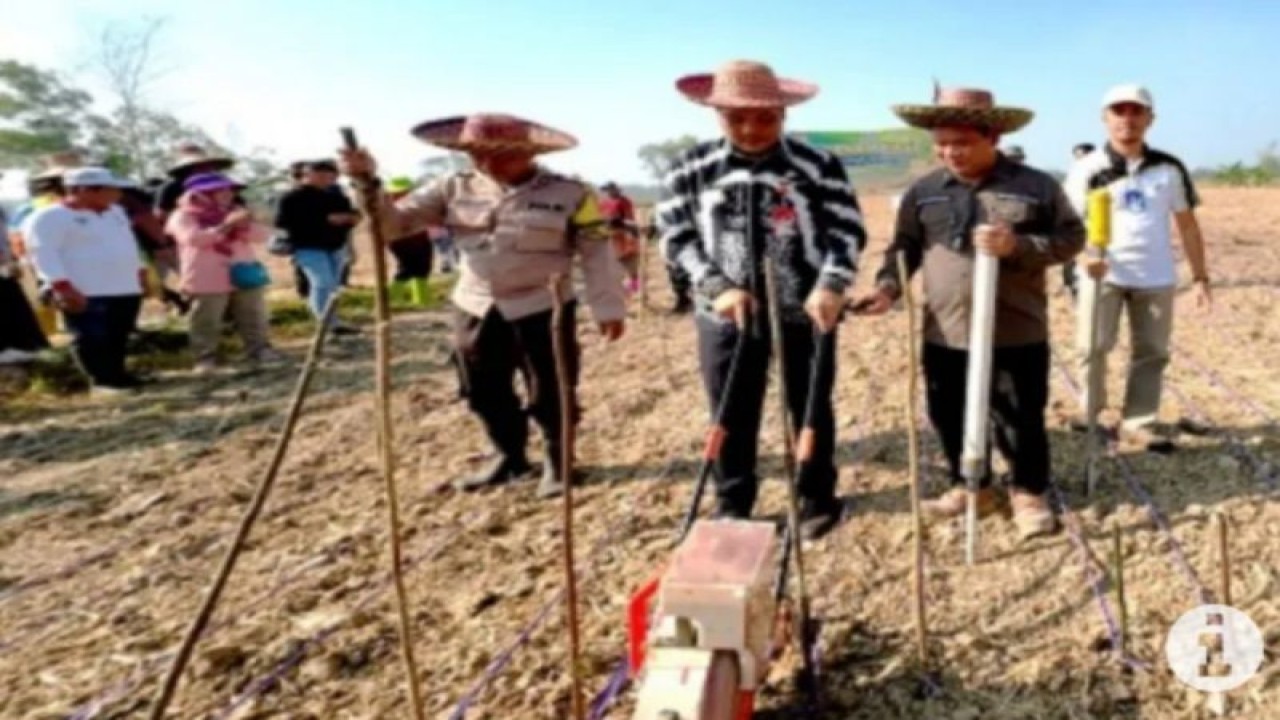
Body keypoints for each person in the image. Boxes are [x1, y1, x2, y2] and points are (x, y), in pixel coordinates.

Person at [341, 113, 627, 499]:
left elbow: (597, 251)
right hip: (474, 304)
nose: (488, 163)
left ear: (530, 153)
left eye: (502, 154)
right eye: (477, 154)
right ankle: (509, 455)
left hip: (544, 305)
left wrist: (608, 306)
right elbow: (392, 225)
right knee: (481, 388)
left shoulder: (573, 194)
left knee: (551, 388)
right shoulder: (450, 187)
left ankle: (559, 460)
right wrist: (366, 183)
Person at [853, 86, 1085, 539]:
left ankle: (1027, 490)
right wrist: (887, 289)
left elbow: (1071, 239)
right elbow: (904, 247)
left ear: (993, 137)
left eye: (961, 142)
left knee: (1019, 414)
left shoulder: (1036, 187)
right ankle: (970, 486)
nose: (950, 152)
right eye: (941, 143)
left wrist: (1018, 245)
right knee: (948, 411)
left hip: (1015, 327)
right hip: (946, 329)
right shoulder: (923, 192)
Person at [658, 60, 866, 540]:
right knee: (730, 409)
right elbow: (676, 236)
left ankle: (817, 497)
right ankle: (733, 501)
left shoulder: (818, 165)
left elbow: (846, 230)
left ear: (784, 114)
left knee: (809, 405)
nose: (751, 129)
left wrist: (831, 283)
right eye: (736, 118)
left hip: (806, 310)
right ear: (716, 115)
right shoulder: (691, 167)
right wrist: (716, 287)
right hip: (724, 314)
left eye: (765, 118)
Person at [1066, 84, 1211, 453]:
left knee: (1152, 351)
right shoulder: (1087, 169)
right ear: (1105, 118)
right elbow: (1067, 224)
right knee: (1092, 346)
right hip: (1103, 273)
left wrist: (1200, 277)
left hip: (1156, 275)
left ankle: (1138, 421)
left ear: (1150, 119)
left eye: (1136, 111)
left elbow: (1187, 225)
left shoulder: (1169, 168)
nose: (1127, 119)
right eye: (1119, 111)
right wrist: (1083, 257)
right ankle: (1090, 412)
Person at [25, 168, 147, 395]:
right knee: (91, 336)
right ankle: (101, 381)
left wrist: (140, 270)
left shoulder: (116, 212)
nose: (117, 194)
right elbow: (44, 254)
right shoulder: (49, 217)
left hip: (124, 285)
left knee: (118, 333)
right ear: (84, 190)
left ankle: (119, 375)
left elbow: (128, 243)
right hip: (85, 289)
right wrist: (61, 286)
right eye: (110, 189)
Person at [166, 172, 282, 373]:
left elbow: (262, 236)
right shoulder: (183, 216)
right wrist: (227, 225)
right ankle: (205, 358)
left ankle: (259, 350)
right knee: (207, 319)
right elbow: (195, 239)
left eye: (229, 190)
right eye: (220, 190)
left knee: (253, 313)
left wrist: (245, 224)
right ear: (201, 194)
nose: (228, 194)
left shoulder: (236, 212)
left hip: (243, 270)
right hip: (206, 275)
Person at [274, 159, 361, 334]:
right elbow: (282, 222)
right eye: (319, 175)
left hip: (336, 246)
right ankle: (326, 323)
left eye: (328, 175)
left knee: (333, 286)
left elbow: (352, 215)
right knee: (322, 282)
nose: (325, 179)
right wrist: (325, 220)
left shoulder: (337, 196)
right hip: (307, 247)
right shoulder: (292, 198)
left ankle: (331, 320)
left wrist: (351, 219)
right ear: (307, 175)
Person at [0, 198, 50, 364]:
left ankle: (27, 347)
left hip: (5, 267)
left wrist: (11, 259)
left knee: (14, 306)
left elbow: (6, 237)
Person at [383, 176, 434, 306]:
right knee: (408, 268)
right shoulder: (389, 208)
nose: (401, 195)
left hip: (419, 237)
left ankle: (420, 298)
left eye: (404, 192)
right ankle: (395, 296)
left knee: (422, 268)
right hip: (402, 240)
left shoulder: (416, 203)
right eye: (397, 193)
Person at [599, 181, 641, 295]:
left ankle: (634, 289)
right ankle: (619, 289)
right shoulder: (603, 203)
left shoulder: (624, 201)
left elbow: (629, 219)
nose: (609, 192)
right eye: (607, 190)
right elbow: (601, 218)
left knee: (630, 263)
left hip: (624, 235)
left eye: (611, 189)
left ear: (617, 189)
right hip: (610, 236)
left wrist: (622, 224)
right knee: (613, 265)